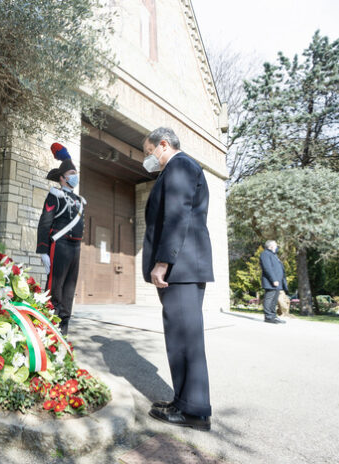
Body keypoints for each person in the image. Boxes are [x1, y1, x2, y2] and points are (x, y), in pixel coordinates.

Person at [141, 127, 214, 431]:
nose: (148, 158)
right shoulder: (177, 168)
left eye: (149, 152)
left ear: (163, 144)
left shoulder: (180, 165)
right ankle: (183, 402)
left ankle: (194, 411)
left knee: (185, 339)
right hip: (183, 268)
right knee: (180, 337)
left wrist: (163, 262)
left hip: (180, 268)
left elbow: (176, 215)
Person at [36, 143, 85, 335]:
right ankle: (48, 326)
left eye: (75, 173)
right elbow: (45, 223)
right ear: (63, 178)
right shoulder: (55, 196)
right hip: (60, 245)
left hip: (75, 248)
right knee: (54, 287)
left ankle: (63, 327)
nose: (75, 176)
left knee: (70, 287)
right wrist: (43, 250)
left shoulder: (79, 200)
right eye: (71, 173)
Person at [259, 240, 287, 324]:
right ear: (270, 246)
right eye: (275, 245)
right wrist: (273, 279)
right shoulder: (265, 254)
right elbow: (267, 268)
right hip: (271, 281)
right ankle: (268, 317)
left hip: (278, 282)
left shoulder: (273, 255)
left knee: (274, 300)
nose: (277, 247)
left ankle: (273, 316)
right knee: (269, 299)